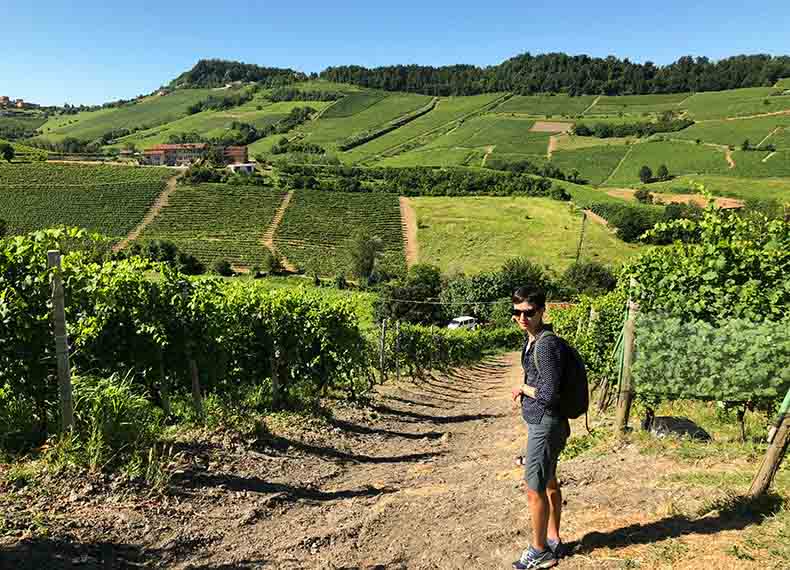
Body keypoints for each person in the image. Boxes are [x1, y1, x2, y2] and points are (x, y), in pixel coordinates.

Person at [510, 288, 570, 569]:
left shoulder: (545, 345)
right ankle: (554, 539)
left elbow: (548, 394)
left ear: (542, 311)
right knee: (548, 482)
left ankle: (540, 551)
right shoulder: (533, 340)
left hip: (545, 425)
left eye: (529, 312)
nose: (523, 317)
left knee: (534, 488)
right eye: (517, 312)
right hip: (546, 424)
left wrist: (523, 388)